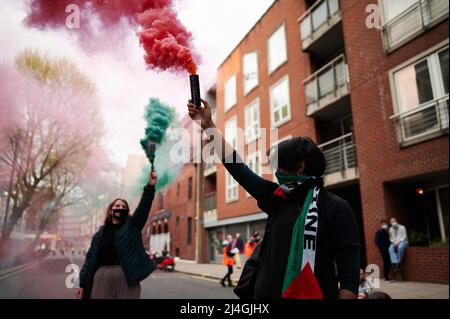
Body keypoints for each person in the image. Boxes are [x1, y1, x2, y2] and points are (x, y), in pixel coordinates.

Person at [187, 99, 360, 299]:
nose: (276, 172)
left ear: (300, 166)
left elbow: (350, 281)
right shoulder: (278, 197)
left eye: (279, 165)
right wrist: (208, 125)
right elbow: (237, 168)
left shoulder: (337, 208)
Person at [74, 171, 158, 299]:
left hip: (127, 279)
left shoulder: (132, 226)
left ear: (127, 211)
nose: (120, 207)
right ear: (111, 210)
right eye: (117, 205)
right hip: (101, 279)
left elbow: (144, 207)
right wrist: (82, 284)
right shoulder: (99, 235)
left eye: (124, 206)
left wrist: (150, 186)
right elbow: (90, 260)